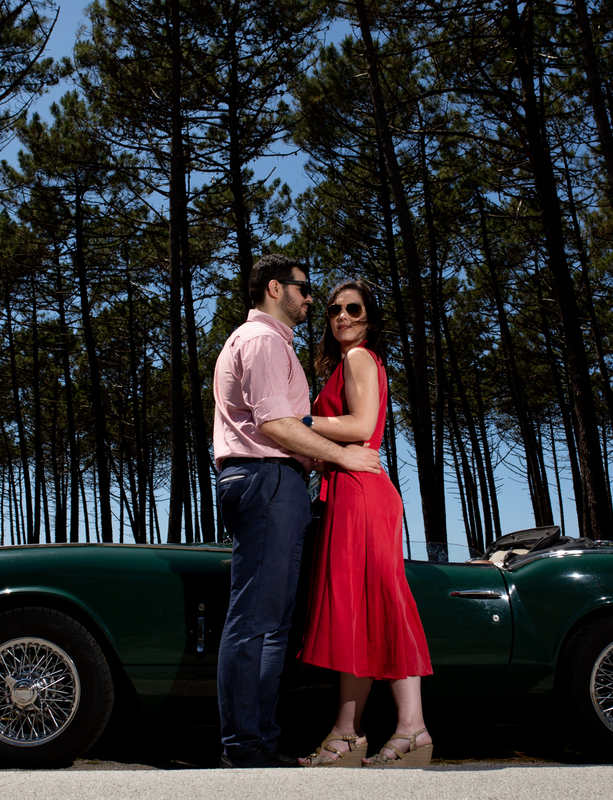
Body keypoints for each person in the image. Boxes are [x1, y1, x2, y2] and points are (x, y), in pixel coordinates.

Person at [212, 255, 383, 769]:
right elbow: (276, 425)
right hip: (265, 479)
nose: (311, 299)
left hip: (275, 483)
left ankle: (260, 741)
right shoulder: (263, 341)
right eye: (304, 290)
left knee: (273, 623)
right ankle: (244, 746)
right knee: (255, 621)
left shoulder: (273, 344)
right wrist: (343, 454)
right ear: (274, 289)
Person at [296, 279, 433, 768]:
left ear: (370, 317)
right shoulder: (350, 362)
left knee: (381, 602)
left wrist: (300, 422)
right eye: (333, 309)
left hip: (361, 493)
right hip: (350, 492)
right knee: (357, 610)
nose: (341, 316)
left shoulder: (358, 358)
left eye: (353, 309)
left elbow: (360, 424)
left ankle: (411, 729)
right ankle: (347, 732)